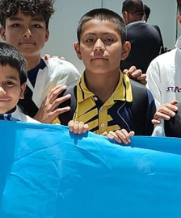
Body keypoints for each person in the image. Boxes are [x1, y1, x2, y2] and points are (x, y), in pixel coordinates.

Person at [64, 9, 175, 143]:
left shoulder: (142, 98)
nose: (98, 47)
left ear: (125, 50)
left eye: (108, 39)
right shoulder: (63, 101)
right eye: (90, 40)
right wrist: (69, 137)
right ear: (78, 50)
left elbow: (150, 151)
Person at [0, 0, 79, 123]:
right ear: (3, 33)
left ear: (46, 34)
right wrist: (39, 121)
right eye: (16, 25)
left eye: (36, 26)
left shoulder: (64, 74)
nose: (27, 33)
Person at [120, 0, 164, 73]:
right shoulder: (155, 31)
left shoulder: (123, 34)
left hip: (129, 81)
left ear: (125, 14)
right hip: (152, 80)